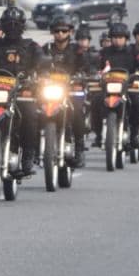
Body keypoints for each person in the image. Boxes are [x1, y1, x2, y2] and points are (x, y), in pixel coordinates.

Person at [0, 6, 43, 176]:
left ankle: (28, 158)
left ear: (23, 25)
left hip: (23, 92)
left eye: (16, 24)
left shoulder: (31, 46)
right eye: (8, 24)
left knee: (30, 115)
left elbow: (43, 65)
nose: (12, 27)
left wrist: (41, 77)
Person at [40, 15, 87, 167]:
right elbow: (36, 66)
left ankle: (79, 149)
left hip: (72, 89)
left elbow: (87, 67)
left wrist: (82, 76)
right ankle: (32, 149)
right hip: (49, 89)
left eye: (64, 31)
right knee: (31, 111)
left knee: (78, 111)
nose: (60, 34)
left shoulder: (78, 51)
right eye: (57, 31)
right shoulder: (45, 49)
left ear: (70, 32)